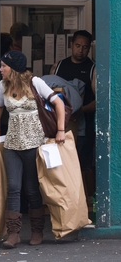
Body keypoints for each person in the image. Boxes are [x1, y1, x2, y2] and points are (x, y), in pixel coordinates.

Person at [0, 50, 65, 248]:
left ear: (13, 68)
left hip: (34, 143)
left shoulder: (35, 83)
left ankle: (37, 230)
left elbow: (58, 102)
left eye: (3, 66)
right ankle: (13, 233)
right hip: (12, 144)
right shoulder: (3, 86)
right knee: (13, 188)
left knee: (32, 188)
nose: (0, 69)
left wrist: (60, 130)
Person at [50, 30, 96, 195]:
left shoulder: (92, 68)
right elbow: (47, 93)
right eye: (77, 46)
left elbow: (99, 102)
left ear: (89, 48)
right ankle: (63, 200)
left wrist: (80, 110)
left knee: (84, 165)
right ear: (71, 45)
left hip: (83, 126)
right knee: (59, 164)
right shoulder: (59, 66)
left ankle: (90, 203)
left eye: (85, 47)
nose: (81, 50)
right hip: (59, 125)